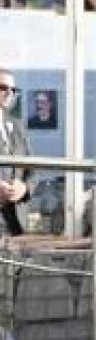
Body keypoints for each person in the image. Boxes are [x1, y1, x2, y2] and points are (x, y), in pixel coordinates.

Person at [0, 70, 32, 236]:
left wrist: (24, 188)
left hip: (16, 221)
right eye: (3, 87)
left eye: (13, 89)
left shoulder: (18, 125)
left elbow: (33, 170)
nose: (9, 93)